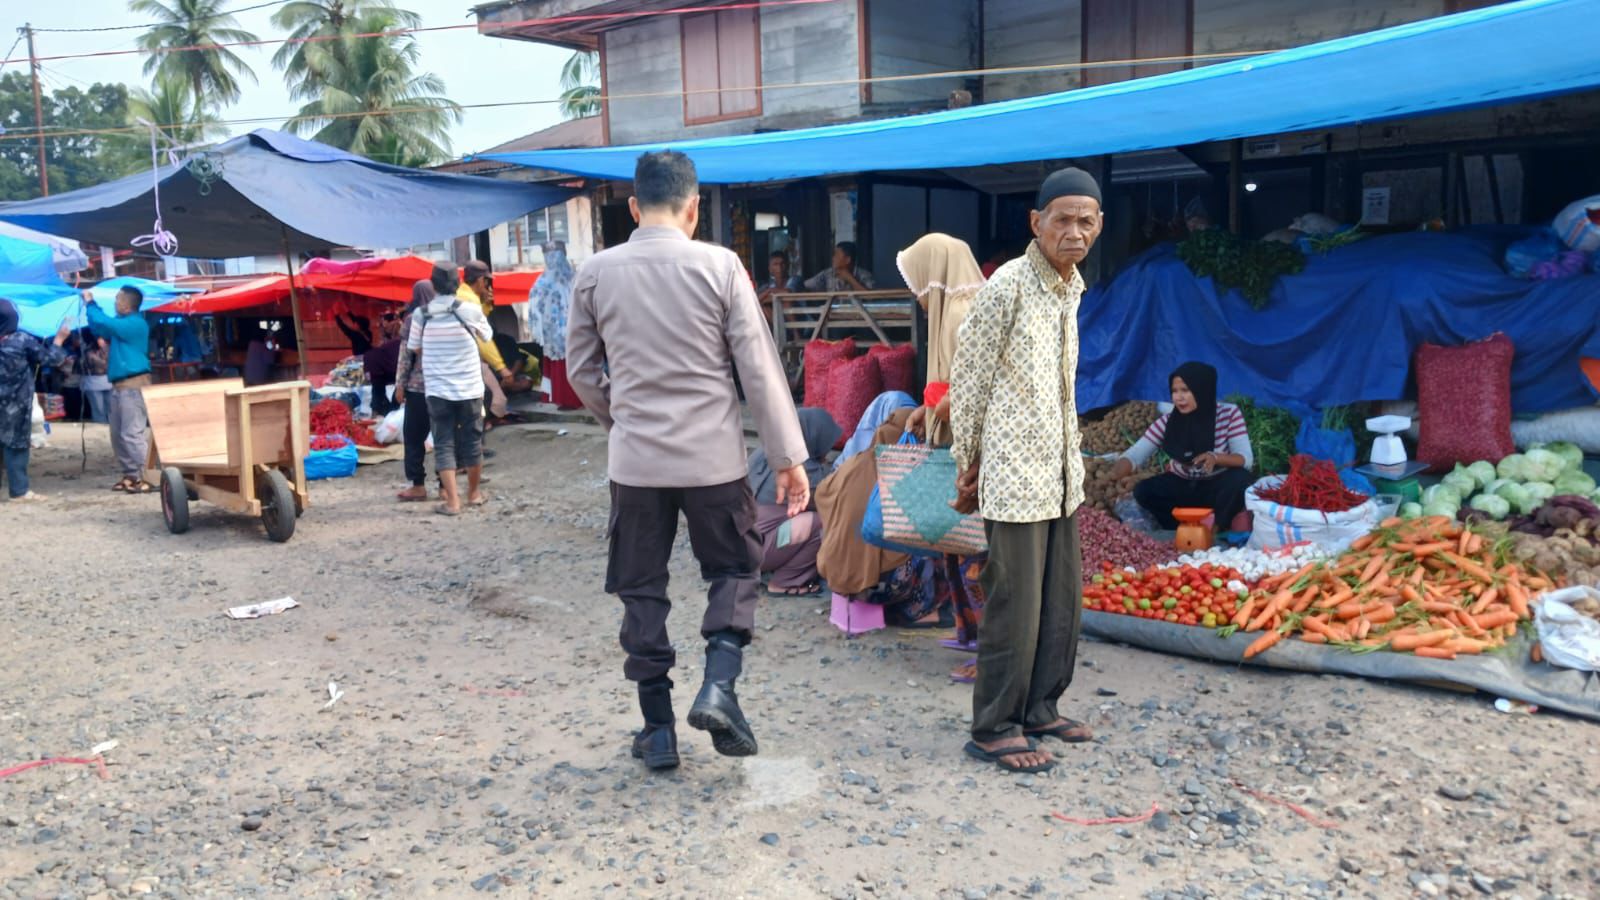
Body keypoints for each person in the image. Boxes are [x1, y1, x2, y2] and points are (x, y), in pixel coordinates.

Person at [567, 150, 809, 771]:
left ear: (633, 207)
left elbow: (581, 373)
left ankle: (658, 732)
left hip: (636, 466)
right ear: (695, 208)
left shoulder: (595, 272)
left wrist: (622, 421)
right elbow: (759, 369)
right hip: (714, 463)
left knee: (641, 588)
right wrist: (786, 457)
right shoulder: (721, 267)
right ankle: (719, 687)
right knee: (735, 570)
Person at [949, 166, 1104, 775]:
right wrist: (967, 463)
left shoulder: (1072, 289)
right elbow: (970, 379)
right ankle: (993, 727)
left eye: (1085, 221)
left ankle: (1041, 709)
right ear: (1036, 223)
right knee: (1014, 604)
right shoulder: (1008, 284)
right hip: (1014, 476)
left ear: (1099, 225)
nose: (1074, 232)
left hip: (1060, 475)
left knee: (1061, 604)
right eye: (1062, 220)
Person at [1114, 362, 1255, 531]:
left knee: (1241, 480)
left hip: (1216, 488)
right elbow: (1136, 453)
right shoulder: (1168, 422)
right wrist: (1119, 470)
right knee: (1144, 491)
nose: (1178, 397)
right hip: (1183, 486)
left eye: (1185, 390)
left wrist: (1216, 457)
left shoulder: (1229, 414)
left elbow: (1246, 459)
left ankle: (1216, 528)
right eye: (1175, 391)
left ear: (1202, 389)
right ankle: (1180, 527)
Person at [406, 264, 492, 516]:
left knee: (443, 443)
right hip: (470, 388)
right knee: (472, 441)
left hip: (437, 390)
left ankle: (453, 502)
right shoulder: (471, 310)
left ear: (433, 285)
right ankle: (474, 494)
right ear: (458, 284)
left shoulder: (421, 314)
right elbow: (486, 337)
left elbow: (415, 348)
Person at [748, 408, 839, 597]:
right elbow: (834, 503)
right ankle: (786, 582)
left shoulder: (764, 453)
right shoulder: (804, 475)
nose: (826, 453)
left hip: (726, 547)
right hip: (752, 552)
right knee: (822, 523)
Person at [0, 300, 71, 501]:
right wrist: (59, 339)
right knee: (16, 445)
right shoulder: (21, 340)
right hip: (16, 404)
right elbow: (52, 359)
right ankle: (19, 491)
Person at [86, 286, 153, 494]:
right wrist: (92, 309)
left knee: (131, 433)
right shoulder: (123, 324)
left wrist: (91, 303)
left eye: (117, 299)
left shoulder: (135, 323)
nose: (115, 302)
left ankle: (148, 476)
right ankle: (131, 475)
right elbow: (100, 326)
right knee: (118, 435)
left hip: (133, 384)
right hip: (119, 385)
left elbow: (104, 323)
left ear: (126, 304)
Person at [392, 280, 435, 503]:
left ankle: (418, 485)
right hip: (443, 386)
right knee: (444, 436)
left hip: (418, 387)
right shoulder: (445, 315)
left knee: (414, 437)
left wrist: (400, 385)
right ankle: (446, 486)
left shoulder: (413, 319)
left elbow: (405, 356)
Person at [530, 243, 580, 410]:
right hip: (564, 330)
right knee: (567, 363)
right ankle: (568, 398)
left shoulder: (543, 281)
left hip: (561, 330)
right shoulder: (574, 277)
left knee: (564, 363)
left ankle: (566, 398)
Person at [364, 312, 404, 418]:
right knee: (380, 392)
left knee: (378, 391)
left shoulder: (394, 343)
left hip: (376, 365)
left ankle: (384, 413)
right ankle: (389, 412)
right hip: (379, 367)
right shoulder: (401, 343)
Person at [804, 241, 875, 293]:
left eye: (836, 255)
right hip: (832, 309)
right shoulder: (828, 274)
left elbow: (870, 297)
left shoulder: (864, 275)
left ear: (847, 260)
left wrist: (850, 279)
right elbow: (805, 285)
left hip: (857, 310)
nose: (833, 258)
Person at [756, 251, 802, 316]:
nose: (779, 267)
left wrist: (770, 291)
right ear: (770, 269)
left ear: (788, 266)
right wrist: (768, 291)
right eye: (775, 264)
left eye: (782, 264)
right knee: (764, 306)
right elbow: (755, 300)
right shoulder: (768, 286)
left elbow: (787, 293)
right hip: (779, 319)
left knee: (786, 302)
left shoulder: (796, 280)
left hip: (800, 319)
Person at [79, 332, 111, 424]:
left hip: (108, 381)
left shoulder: (110, 348)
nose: (103, 340)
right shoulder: (87, 351)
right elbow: (98, 363)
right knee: (98, 409)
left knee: (110, 407)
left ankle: (112, 427)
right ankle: (100, 428)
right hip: (93, 383)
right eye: (100, 338)